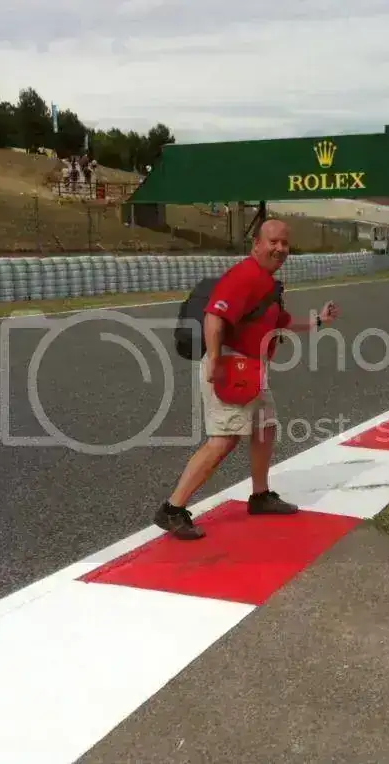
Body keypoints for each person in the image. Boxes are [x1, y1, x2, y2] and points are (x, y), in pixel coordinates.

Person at [153, 218, 340, 540]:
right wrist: (215, 361)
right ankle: (172, 509)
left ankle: (260, 495)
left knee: (265, 427)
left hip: (252, 368)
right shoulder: (245, 276)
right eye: (273, 242)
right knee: (224, 439)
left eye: (285, 243)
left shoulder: (267, 284)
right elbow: (214, 317)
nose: (280, 248)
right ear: (256, 244)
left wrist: (319, 321)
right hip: (232, 366)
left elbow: (282, 323)